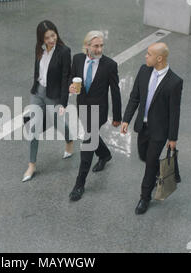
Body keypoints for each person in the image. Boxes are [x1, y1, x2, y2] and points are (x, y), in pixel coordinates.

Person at [121, 42, 183, 215]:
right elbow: (135, 97)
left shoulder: (174, 82)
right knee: (143, 155)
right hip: (143, 125)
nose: (145, 56)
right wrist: (126, 119)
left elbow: (174, 112)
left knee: (150, 162)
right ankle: (159, 173)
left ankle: (145, 197)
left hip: (159, 131)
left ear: (159, 58)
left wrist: (172, 138)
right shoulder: (144, 70)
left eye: (149, 54)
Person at [68, 31, 122, 201]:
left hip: (99, 109)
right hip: (83, 106)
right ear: (87, 46)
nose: (99, 49)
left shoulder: (110, 65)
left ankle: (79, 184)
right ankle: (105, 155)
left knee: (88, 142)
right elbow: (71, 78)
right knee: (92, 136)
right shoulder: (77, 59)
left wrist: (117, 117)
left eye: (101, 46)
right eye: (96, 46)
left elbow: (115, 91)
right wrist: (70, 87)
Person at [22, 20, 73, 182]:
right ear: (41, 39)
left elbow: (66, 78)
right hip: (38, 92)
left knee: (58, 123)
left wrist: (63, 103)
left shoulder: (64, 51)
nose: (51, 39)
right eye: (47, 37)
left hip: (54, 94)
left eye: (53, 35)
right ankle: (32, 164)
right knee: (33, 128)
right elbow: (38, 70)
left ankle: (69, 140)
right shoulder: (39, 49)